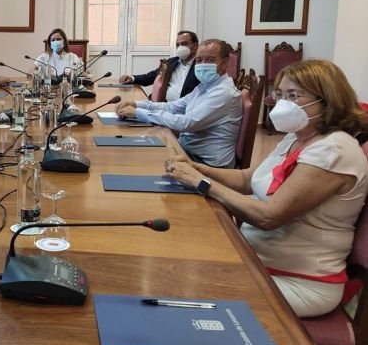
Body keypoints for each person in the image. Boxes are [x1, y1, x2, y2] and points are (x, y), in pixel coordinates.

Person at [164, 59, 368, 317]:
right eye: (280, 94)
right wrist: (198, 168)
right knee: (175, 261)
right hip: (258, 260)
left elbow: (268, 216)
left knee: (181, 289)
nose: (282, 103)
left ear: (328, 101)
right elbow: (249, 179)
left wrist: (201, 183)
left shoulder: (333, 150)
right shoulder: (299, 136)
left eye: (293, 95)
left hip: (298, 281)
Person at [117, 39, 242, 168]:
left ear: (225, 62)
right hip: (186, 151)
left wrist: (138, 113)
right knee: (137, 153)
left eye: (210, 60)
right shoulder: (205, 86)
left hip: (206, 165)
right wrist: (137, 104)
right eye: (199, 60)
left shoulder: (224, 93)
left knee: (138, 162)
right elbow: (172, 106)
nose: (203, 64)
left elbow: (185, 123)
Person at [119, 30, 200, 102]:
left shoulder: (200, 67)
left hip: (183, 109)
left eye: (184, 44)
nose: (180, 47)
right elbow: (152, 76)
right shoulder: (171, 62)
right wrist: (132, 78)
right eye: (177, 45)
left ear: (195, 46)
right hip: (161, 104)